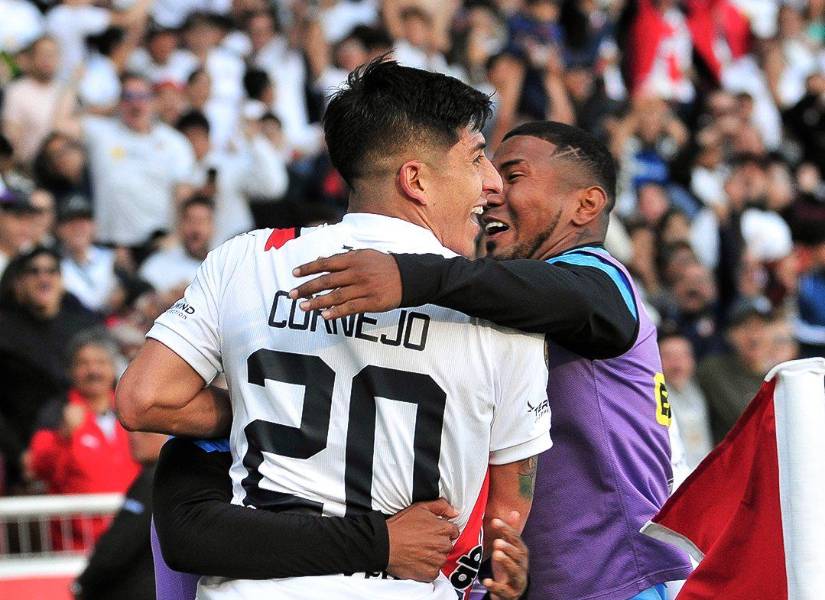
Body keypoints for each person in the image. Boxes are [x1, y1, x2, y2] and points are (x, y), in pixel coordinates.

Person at [117, 60, 548, 600]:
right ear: (415, 180)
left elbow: (143, 400)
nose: (492, 183)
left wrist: (261, 404)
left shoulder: (248, 258)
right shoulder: (505, 312)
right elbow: (506, 519)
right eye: (477, 157)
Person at [289, 120, 693, 600]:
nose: (493, 188)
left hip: (610, 585)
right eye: (489, 172)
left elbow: (584, 304)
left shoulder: (599, 278)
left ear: (586, 205)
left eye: (514, 174)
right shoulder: (496, 307)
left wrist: (411, 275)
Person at [0, 245, 102, 489]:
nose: (43, 278)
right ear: (19, 282)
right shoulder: (4, 330)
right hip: (24, 460)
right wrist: (18, 453)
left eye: (51, 271)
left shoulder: (84, 327)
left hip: (86, 455)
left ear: (62, 280)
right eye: (33, 272)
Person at [26, 332, 140, 548]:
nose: (93, 370)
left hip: (130, 541)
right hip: (76, 546)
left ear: (114, 368)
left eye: (101, 362)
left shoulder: (132, 411)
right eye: (84, 363)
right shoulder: (57, 412)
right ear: (71, 370)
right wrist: (63, 436)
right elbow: (37, 467)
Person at [71, 431, 166, 600]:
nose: (133, 436)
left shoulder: (152, 481)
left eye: (145, 431)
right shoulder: (182, 478)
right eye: (131, 431)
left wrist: (83, 583)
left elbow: (119, 544)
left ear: (167, 434)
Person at [139, 195, 215, 307]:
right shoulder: (158, 264)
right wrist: (164, 300)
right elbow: (141, 304)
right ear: (180, 224)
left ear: (213, 226)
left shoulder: (220, 267)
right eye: (190, 220)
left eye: (202, 221)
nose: (195, 229)